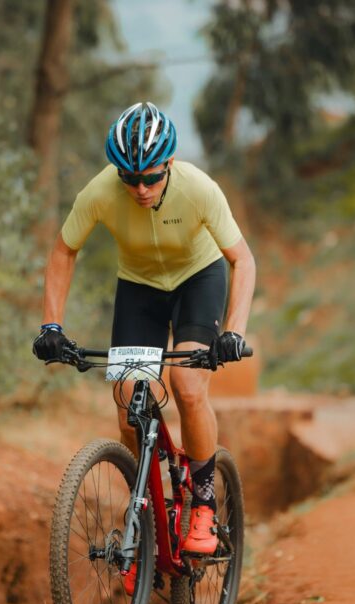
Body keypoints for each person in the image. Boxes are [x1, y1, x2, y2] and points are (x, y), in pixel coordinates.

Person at [32, 101, 256, 565]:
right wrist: (51, 325)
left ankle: (204, 503)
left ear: (169, 164)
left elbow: (242, 260)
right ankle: (150, 511)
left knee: (186, 384)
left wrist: (233, 332)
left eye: (151, 178)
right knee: (127, 402)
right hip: (140, 289)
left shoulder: (199, 189)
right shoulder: (99, 192)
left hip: (198, 280)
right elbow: (63, 251)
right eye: (129, 178)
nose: (139, 189)